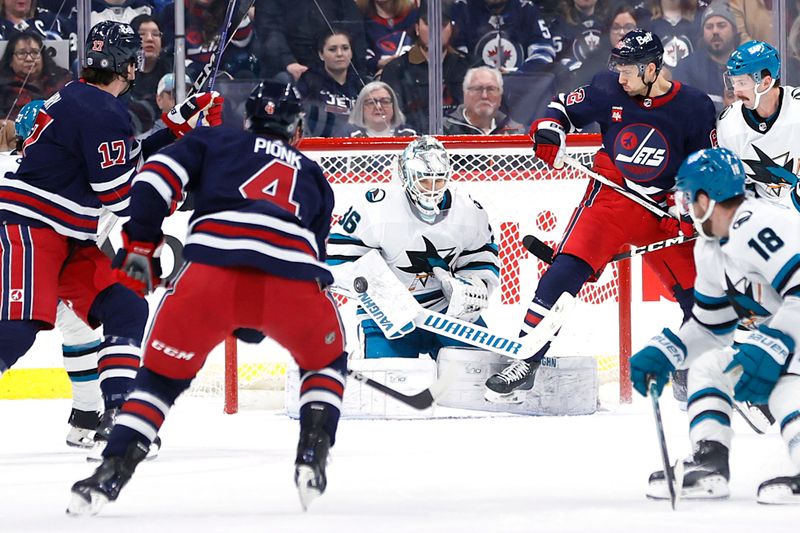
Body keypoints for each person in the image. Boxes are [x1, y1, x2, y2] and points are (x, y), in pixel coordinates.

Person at [67, 81, 348, 515]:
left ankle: (110, 474)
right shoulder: (312, 174)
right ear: (297, 128)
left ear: (249, 118)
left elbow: (153, 183)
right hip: (293, 286)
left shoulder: (216, 138)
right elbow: (312, 260)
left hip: (209, 277)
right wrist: (259, 317)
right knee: (327, 364)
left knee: (157, 382)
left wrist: (141, 245)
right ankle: (313, 452)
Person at [0, 21, 223, 453]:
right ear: (131, 65)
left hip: (68, 237)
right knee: (17, 331)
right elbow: (122, 198)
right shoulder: (103, 111)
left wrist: (175, 128)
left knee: (126, 304)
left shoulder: (81, 97)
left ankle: (119, 414)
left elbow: (119, 157)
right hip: (32, 228)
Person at [483, 30, 716, 403]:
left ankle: (687, 364)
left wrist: (688, 206)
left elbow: (705, 166)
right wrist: (551, 131)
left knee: (704, 298)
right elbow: (561, 107)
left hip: (665, 208)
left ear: (653, 68)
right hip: (613, 199)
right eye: (618, 69)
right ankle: (526, 359)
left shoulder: (695, 106)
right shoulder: (608, 89)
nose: (621, 77)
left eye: (629, 70)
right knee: (563, 272)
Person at [630, 147, 800, 504]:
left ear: (706, 198)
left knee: (785, 376)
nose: (685, 207)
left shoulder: (757, 222)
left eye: (688, 197)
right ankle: (710, 464)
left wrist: (774, 342)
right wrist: (667, 352)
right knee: (710, 367)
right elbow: (710, 327)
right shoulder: (710, 249)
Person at [327, 135, 499, 359]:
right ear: (406, 176)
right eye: (424, 180)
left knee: (474, 376)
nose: (432, 189)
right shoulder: (376, 207)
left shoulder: (469, 211)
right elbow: (337, 257)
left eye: (438, 180)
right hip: (387, 316)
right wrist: (377, 288)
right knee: (389, 384)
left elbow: (482, 260)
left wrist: (467, 286)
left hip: (446, 312)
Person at [717, 40, 800, 209]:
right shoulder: (728, 124)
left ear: (766, 82)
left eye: (742, 83)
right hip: (764, 216)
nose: (736, 92)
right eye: (734, 82)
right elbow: (739, 185)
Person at [380, 0, 470, 133]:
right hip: (411, 142)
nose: (435, 30)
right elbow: (391, 119)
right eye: (429, 24)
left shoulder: (468, 68)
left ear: (451, 29)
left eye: (442, 25)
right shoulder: (396, 70)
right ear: (417, 28)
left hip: (460, 144)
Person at [671, 0, 739, 113]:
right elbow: (683, 110)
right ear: (703, 32)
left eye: (721, 25)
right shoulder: (686, 68)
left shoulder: (747, 66)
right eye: (709, 27)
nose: (715, 31)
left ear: (734, 30)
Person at [451, 0, 556, 73]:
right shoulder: (463, 8)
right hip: (474, 87)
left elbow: (544, 50)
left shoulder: (525, 8)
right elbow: (455, 55)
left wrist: (520, 73)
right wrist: (481, 74)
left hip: (520, 90)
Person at [298, 31, 362, 137]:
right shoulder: (308, 81)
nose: (340, 54)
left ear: (351, 53)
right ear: (321, 54)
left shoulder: (361, 83)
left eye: (345, 48)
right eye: (332, 49)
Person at [0, 32, 73, 120]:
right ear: (10, 60)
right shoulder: (3, 87)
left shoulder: (62, 79)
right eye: (22, 53)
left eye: (35, 53)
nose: (29, 59)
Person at [443, 66, 525, 135]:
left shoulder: (515, 131)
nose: (484, 96)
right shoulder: (444, 130)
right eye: (478, 89)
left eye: (491, 89)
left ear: (500, 96)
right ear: (465, 94)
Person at [357, 0, 418, 75]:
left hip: (411, 75)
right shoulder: (360, 17)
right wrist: (378, 63)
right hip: (376, 77)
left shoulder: (413, 15)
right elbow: (359, 56)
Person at [342, 80, 417, 137]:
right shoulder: (348, 135)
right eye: (371, 102)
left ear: (393, 106)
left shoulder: (409, 134)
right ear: (361, 107)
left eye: (385, 101)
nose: (378, 107)